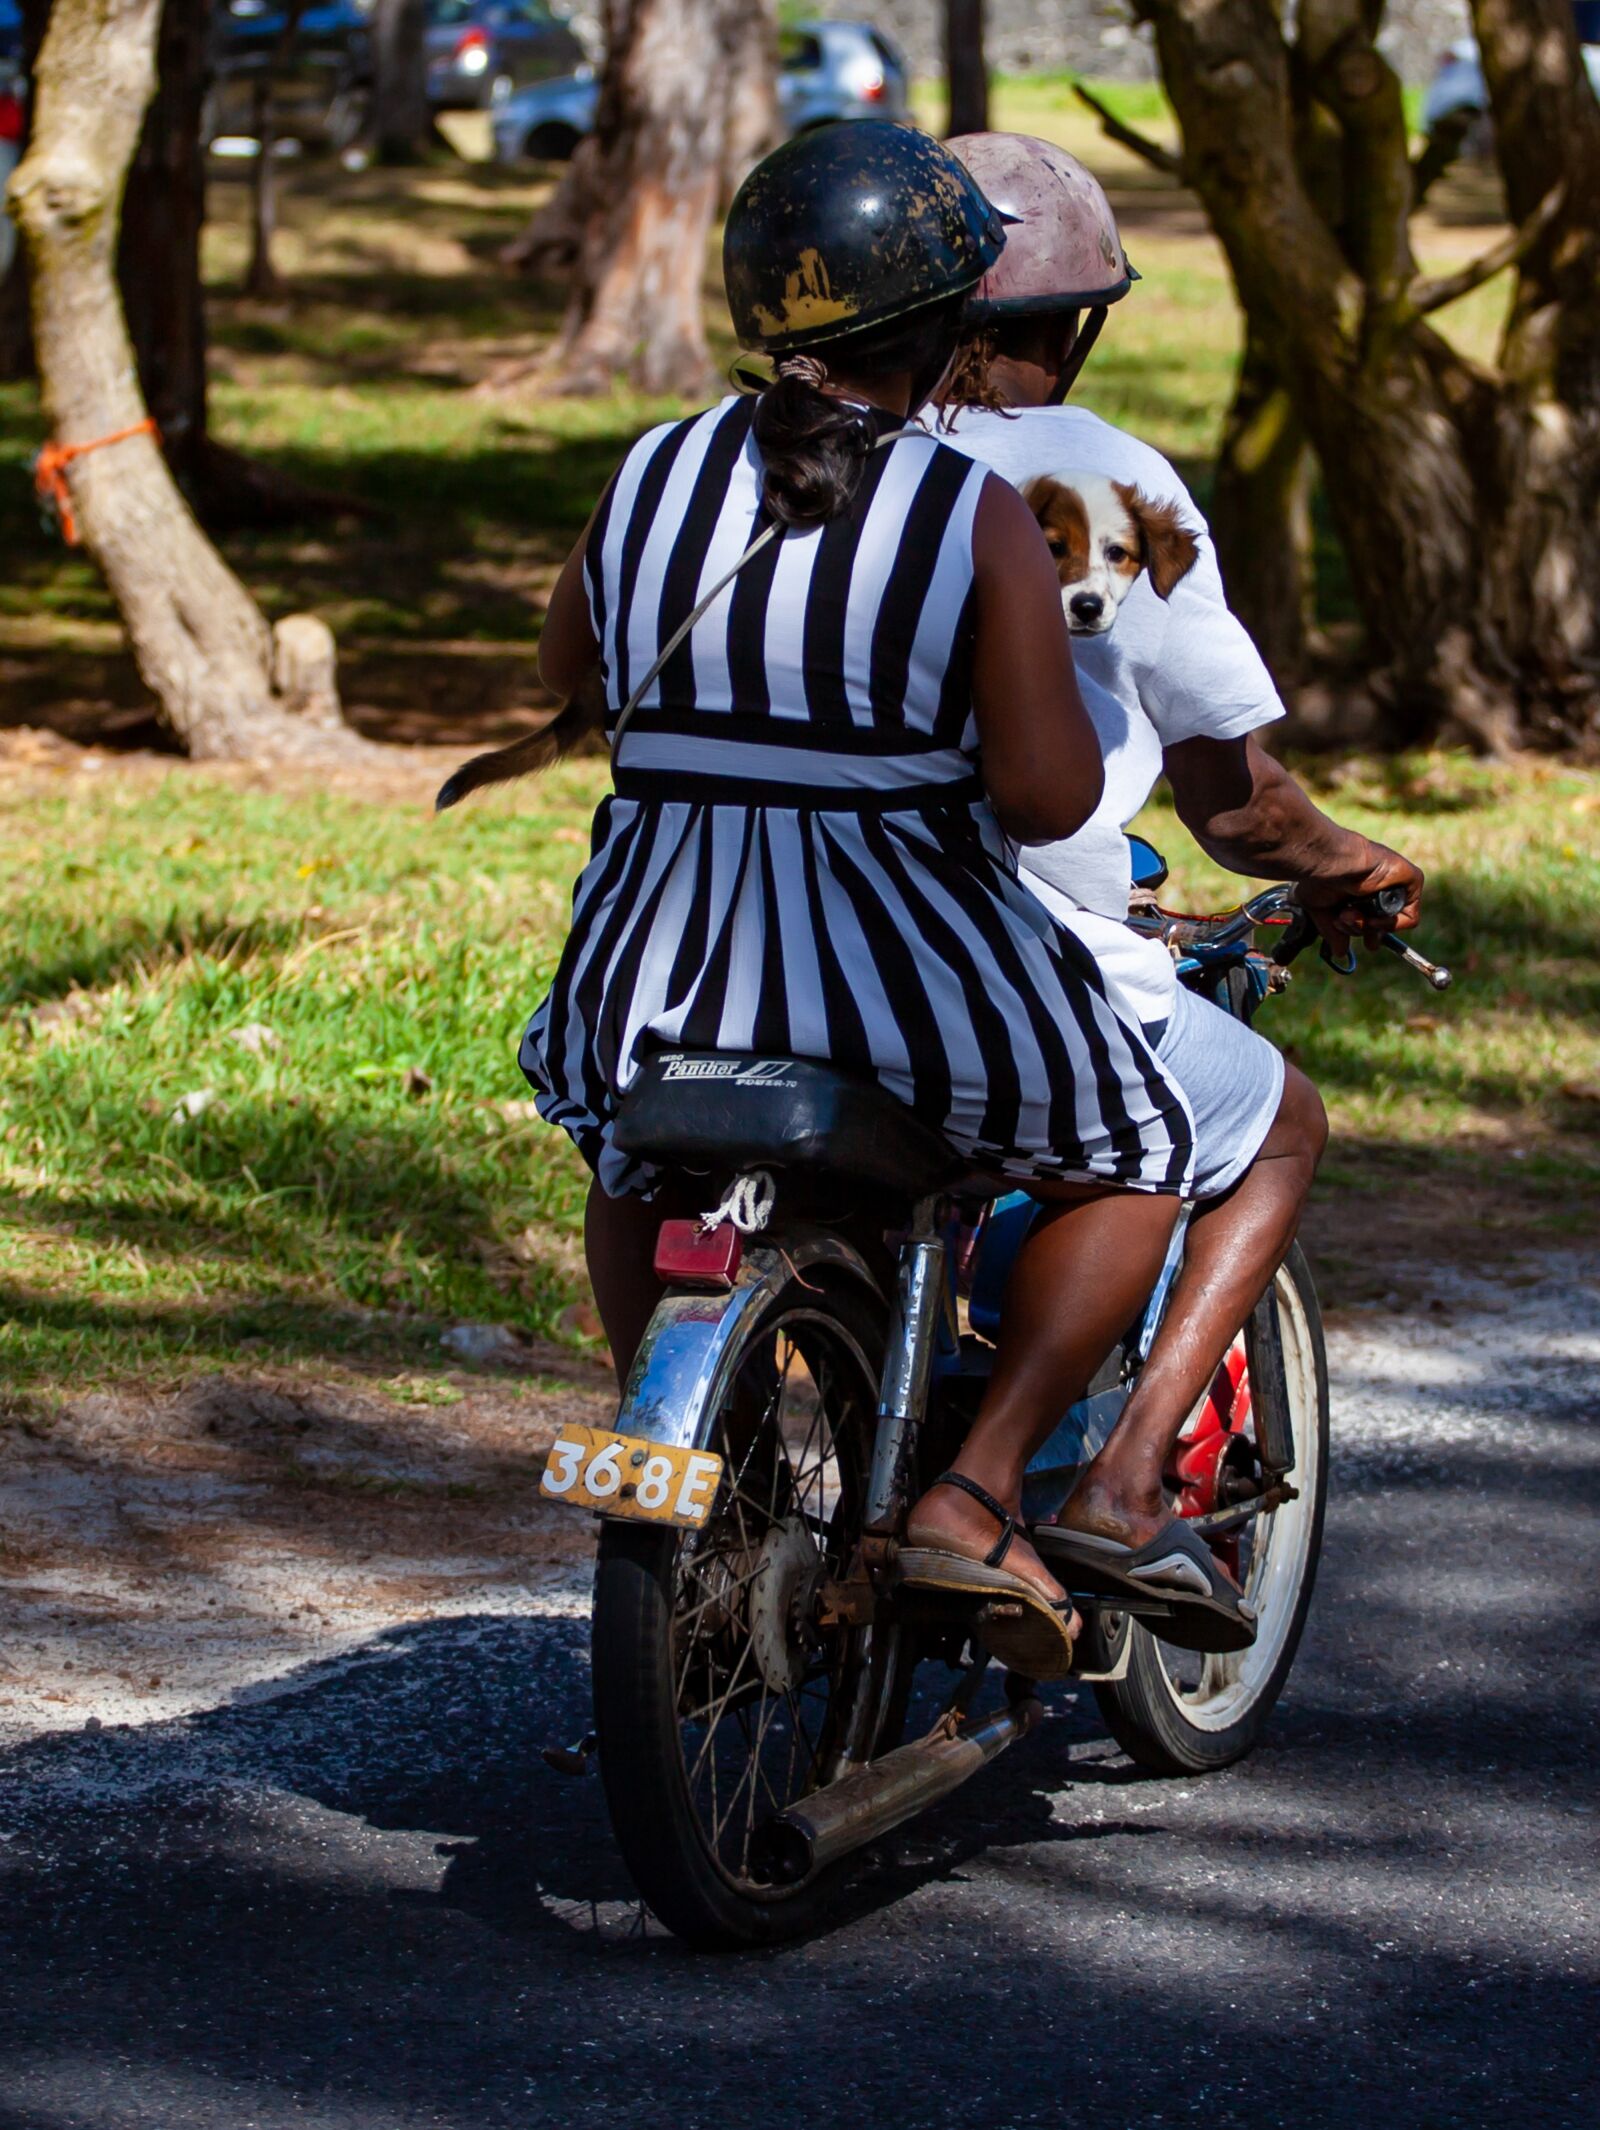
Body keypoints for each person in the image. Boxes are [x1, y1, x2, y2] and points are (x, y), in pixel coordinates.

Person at [521, 121, 1226, 1675]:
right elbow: (1045, 798)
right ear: (951, 327)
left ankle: (690, 1461)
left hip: (657, 952)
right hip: (891, 954)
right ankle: (975, 1497)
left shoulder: (644, 468)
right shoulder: (966, 512)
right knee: (1140, 1148)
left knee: (646, 1145)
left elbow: (566, 675)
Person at [931, 133, 1425, 1592]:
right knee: (1262, 1124)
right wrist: (1343, 861)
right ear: (1070, 322)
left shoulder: (764, 461)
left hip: (716, 947)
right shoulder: (1091, 480)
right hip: (985, 949)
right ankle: (1120, 1481)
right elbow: (1234, 798)